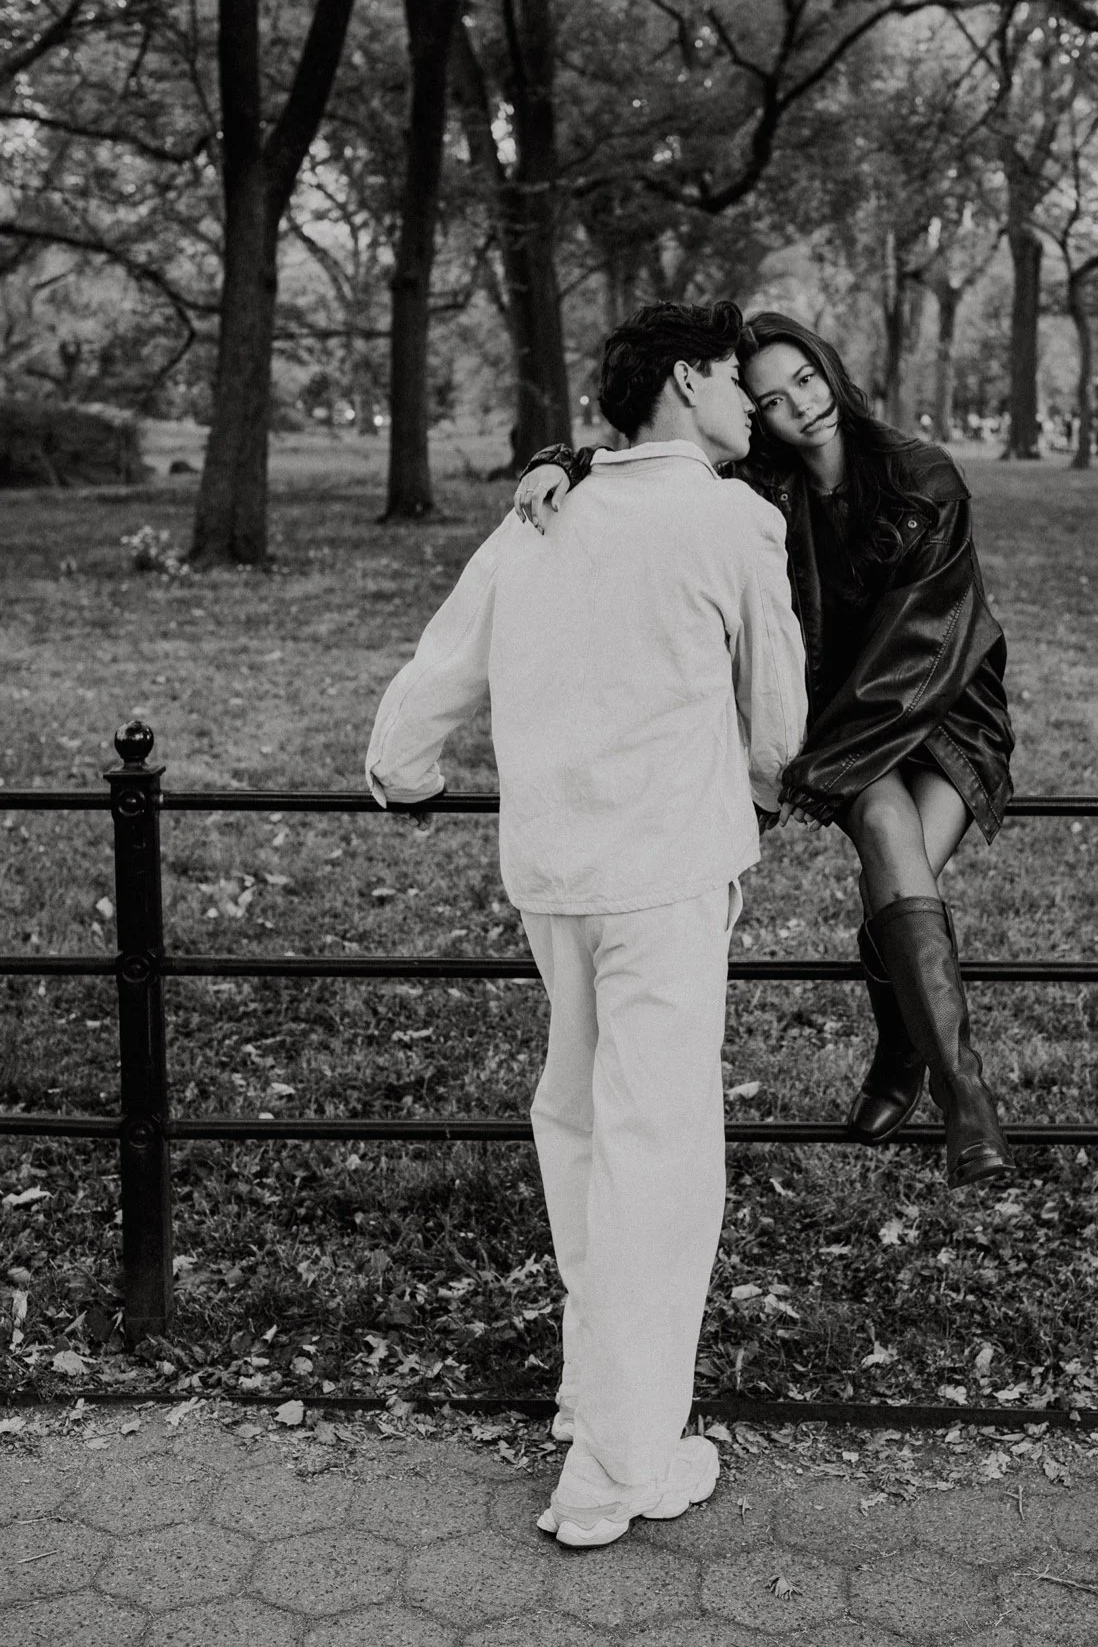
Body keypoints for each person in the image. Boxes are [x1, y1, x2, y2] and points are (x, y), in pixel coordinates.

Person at [366, 301, 806, 1549]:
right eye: (734, 382)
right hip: (665, 870)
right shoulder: (733, 520)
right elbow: (776, 720)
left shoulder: (539, 518)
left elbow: (444, 667)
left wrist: (401, 772)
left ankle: (590, 1395)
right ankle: (616, 1469)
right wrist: (761, 795)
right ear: (687, 380)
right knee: (659, 1154)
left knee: (577, 1126)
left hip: (554, 871)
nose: (751, 407)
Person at [516, 308, 1014, 1190]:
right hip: (846, 736)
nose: (800, 408)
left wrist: (811, 773)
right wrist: (564, 462)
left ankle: (919, 1066)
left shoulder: (921, 477)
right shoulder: (759, 485)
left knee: (894, 876)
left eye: (808, 382)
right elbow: (654, 457)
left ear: (832, 371)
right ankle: (961, 1097)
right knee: (891, 848)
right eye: (773, 400)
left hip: (936, 709)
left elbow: (921, 646)